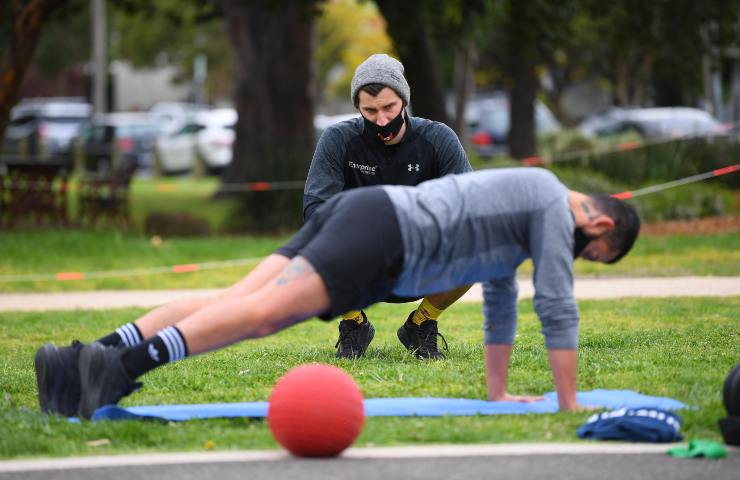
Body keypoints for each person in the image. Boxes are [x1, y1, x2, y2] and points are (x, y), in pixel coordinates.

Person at [35, 167, 640, 419]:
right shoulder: (553, 209)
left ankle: (75, 365)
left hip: (367, 213)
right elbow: (555, 304)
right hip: (383, 234)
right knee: (263, 316)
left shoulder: (528, 206)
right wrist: (568, 405)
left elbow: (504, 299)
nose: (581, 257)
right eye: (595, 256)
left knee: (234, 300)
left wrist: (499, 391)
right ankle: (117, 369)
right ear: (600, 226)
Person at [305, 53, 473, 360]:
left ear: (404, 102)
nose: (382, 120)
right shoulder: (337, 140)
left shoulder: (439, 139)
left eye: (389, 108)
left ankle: (421, 325)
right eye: (370, 111)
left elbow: (467, 207)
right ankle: (354, 324)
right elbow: (316, 208)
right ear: (357, 108)